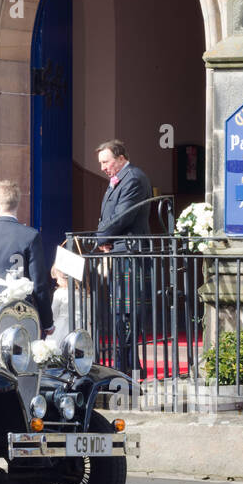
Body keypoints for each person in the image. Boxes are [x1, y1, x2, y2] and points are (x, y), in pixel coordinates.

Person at [94, 140, 153, 376]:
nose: (103, 167)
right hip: (119, 251)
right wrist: (105, 239)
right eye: (100, 163)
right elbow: (107, 217)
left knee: (128, 313)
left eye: (106, 162)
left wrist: (101, 239)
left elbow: (122, 216)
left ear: (120, 158)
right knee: (120, 312)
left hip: (131, 253)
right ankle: (127, 363)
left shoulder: (134, 178)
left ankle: (127, 366)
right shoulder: (117, 180)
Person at [0, 180, 53, 329]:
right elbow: (39, 284)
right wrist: (47, 323)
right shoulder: (30, 236)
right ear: (16, 205)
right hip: (19, 309)